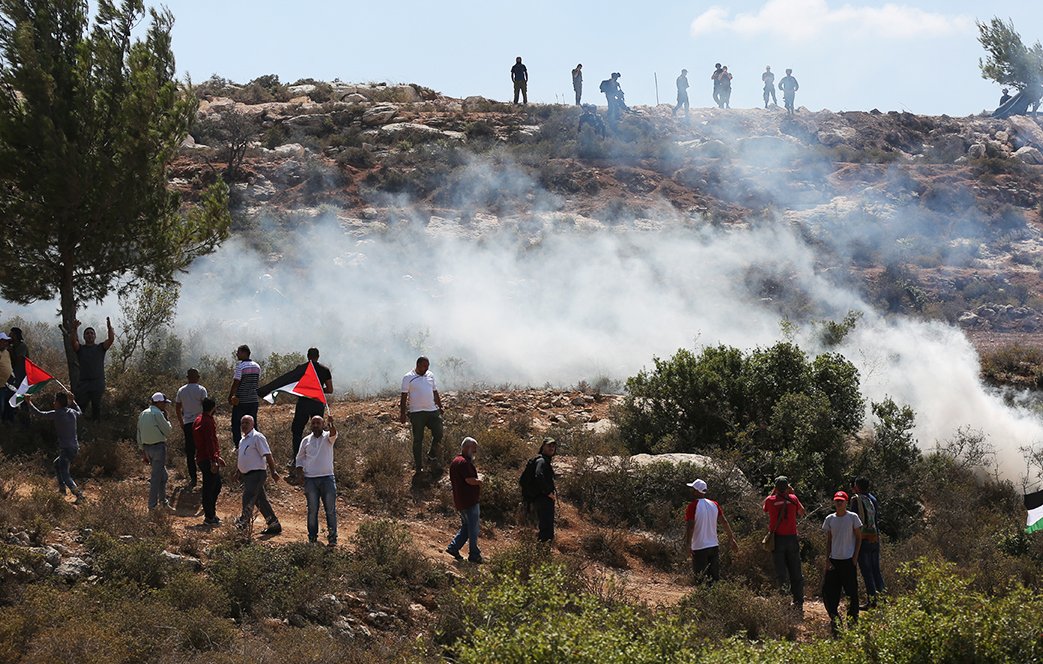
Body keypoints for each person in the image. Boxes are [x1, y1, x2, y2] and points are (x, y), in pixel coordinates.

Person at [258, 347, 333, 467]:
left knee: (297, 431)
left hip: (303, 404)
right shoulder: (325, 370)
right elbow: (330, 389)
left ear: (307, 356)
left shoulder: (301, 368)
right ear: (318, 356)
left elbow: (289, 380)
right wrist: (317, 390)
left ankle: (297, 459)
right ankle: (317, 458)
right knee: (318, 430)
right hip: (317, 403)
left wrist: (307, 390)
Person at [25, 393, 85, 503]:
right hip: (74, 447)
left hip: (66, 449)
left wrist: (29, 402)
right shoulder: (72, 412)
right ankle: (62, 490)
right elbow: (80, 412)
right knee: (57, 464)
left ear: (58, 403)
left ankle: (79, 494)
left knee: (65, 474)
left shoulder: (57, 414)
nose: (53, 403)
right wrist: (73, 401)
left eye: (55, 401)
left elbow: (39, 414)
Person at [822, 490, 862, 635]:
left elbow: (859, 537)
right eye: (837, 501)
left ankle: (853, 624)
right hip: (834, 561)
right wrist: (827, 559)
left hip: (848, 561)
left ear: (846, 502)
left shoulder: (852, 517)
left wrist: (855, 557)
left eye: (841, 501)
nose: (839, 503)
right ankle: (835, 622)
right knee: (828, 593)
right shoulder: (830, 519)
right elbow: (829, 540)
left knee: (851, 594)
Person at [683, 479, 738, 585]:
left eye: (693, 489)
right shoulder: (714, 504)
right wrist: (731, 538)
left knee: (701, 579)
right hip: (713, 546)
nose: (691, 491)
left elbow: (690, 526)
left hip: (699, 547)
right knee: (714, 579)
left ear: (697, 491)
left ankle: (703, 596)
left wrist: (688, 544)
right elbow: (724, 522)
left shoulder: (693, 506)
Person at [764, 476, 806, 611]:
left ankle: (784, 601)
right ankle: (798, 601)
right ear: (787, 487)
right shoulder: (793, 499)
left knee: (781, 572)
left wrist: (774, 492)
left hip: (778, 540)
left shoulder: (770, 500)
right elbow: (802, 512)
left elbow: (765, 509)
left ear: (775, 488)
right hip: (792, 538)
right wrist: (791, 493)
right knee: (796, 570)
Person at [295, 414, 338, 546]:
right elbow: (299, 458)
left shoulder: (328, 437)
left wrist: (331, 424)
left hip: (327, 478)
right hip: (310, 480)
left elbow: (333, 433)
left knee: (330, 510)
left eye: (318, 423)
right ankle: (312, 539)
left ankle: (332, 539)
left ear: (323, 424)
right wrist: (300, 473)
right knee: (312, 510)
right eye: (313, 423)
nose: (315, 425)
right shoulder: (306, 440)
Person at [235, 414, 282, 535]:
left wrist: (273, 471)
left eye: (247, 423)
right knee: (260, 500)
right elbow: (243, 457)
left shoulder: (257, 437)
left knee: (248, 497)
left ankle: (243, 525)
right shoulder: (242, 440)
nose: (244, 425)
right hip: (247, 475)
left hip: (257, 474)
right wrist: (238, 471)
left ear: (253, 424)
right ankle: (274, 524)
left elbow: (268, 454)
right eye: (242, 423)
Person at [399, 356, 444, 475]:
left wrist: (440, 406)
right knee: (418, 439)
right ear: (418, 365)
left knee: (439, 432)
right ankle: (419, 467)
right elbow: (403, 397)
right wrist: (402, 413)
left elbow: (435, 392)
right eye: (424, 366)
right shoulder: (408, 377)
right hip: (417, 412)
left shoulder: (430, 375)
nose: (426, 368)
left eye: (428, 366)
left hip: (432, 410)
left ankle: (431, 455)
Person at [69, 317, 114, 420]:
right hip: (83, 383)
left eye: (91, 333)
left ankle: (96, 426)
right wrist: (74, 329)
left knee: (96, 407)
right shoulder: (80, 349)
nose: (89, 335)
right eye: (87, 333)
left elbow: (111, 340)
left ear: (95, 336)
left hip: (98, 383)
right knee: (80, 407)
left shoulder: (100, 348)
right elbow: (73, 342)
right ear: (84, 336)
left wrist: (109, 328)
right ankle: (79, 426)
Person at [446, 436, 483, 563]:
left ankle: (453, 547)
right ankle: (474, 554)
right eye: (474, 449)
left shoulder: (455, 461)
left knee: (466, 527)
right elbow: (469, 480)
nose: (475, 452)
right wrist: (480, 481)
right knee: (473, 529)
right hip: (469, 501)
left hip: (460, 501)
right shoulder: (464, 463)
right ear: (466, 447)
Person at [850, 477, 884, 608]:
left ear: (857, 486)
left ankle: (872, 601)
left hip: (863, 539)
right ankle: (883, 599)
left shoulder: (856, 500)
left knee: (867, 571)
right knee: (876, 570)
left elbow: (853, 520)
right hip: (874, 537)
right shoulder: (873, 499)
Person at [137, 392, 173, 511]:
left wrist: (143, 451)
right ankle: (152, 506)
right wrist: (167, 419)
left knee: (163, 476)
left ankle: (163, 502)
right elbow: (168, 431)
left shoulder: (143, 413)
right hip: (158, 448)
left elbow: (139, 433)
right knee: (156, 477)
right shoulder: (158, 413)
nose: (165, 405)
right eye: (164, 403)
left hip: (147, 448)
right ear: (159, 402)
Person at [175, 368, 208, 489]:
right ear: (197, 377)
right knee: (203, 450)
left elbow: (177, 408)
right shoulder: (201, 390)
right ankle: (205, 477)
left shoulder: (181, 390)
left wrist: (181, 422)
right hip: (200, 423)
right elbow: (206, 406)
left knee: (190, 452)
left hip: (188, 424)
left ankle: (193, 479)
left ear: (187, 377)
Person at [193, 397, 224, 526]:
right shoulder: (207, 421)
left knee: (214, 485)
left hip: (203, 457)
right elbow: (209, 441)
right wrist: (213, 460)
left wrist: (216, 457)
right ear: (213, 408)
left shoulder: (198, 419)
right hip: (207, 458)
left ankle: (211, 513)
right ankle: (209, 516)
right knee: (211, 487)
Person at [228, 344, 261, 447]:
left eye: (239, 352)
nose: (237, 354)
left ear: (245, 353)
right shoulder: (257, 366)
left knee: (236, 423)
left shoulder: (240, 366)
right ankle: (255, 444)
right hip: (253, 400)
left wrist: (230, 396)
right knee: (253, 423)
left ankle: (238, 445)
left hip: (241, 401)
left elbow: (236, 383)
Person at [529, 437, 557, 542]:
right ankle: (543, 549)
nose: (552, 448)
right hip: (543, 498)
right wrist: (548, 492)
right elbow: (538, 475)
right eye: (549, 445)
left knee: (547, 526)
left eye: (553, 446)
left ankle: (543, 548)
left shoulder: (545, 460)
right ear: (543, 447)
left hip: (543, 498)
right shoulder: (541, 460)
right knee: (546, 528)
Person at [7, 327, 28, 424]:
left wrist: (11, 352)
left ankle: (25, 421)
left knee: (22, 398)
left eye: (11, 335)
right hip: (13, 376)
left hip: (21, 376)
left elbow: (18, 361)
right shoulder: (12, 346)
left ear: (16, 336)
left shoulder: (21, 346)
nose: (9, 336)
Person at [0, 332, 12, 422]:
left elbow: (8, 365)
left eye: (6, 341)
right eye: (3, 341)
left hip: (6, 385)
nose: (6, 343)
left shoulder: (7, 352)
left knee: (4, 406)